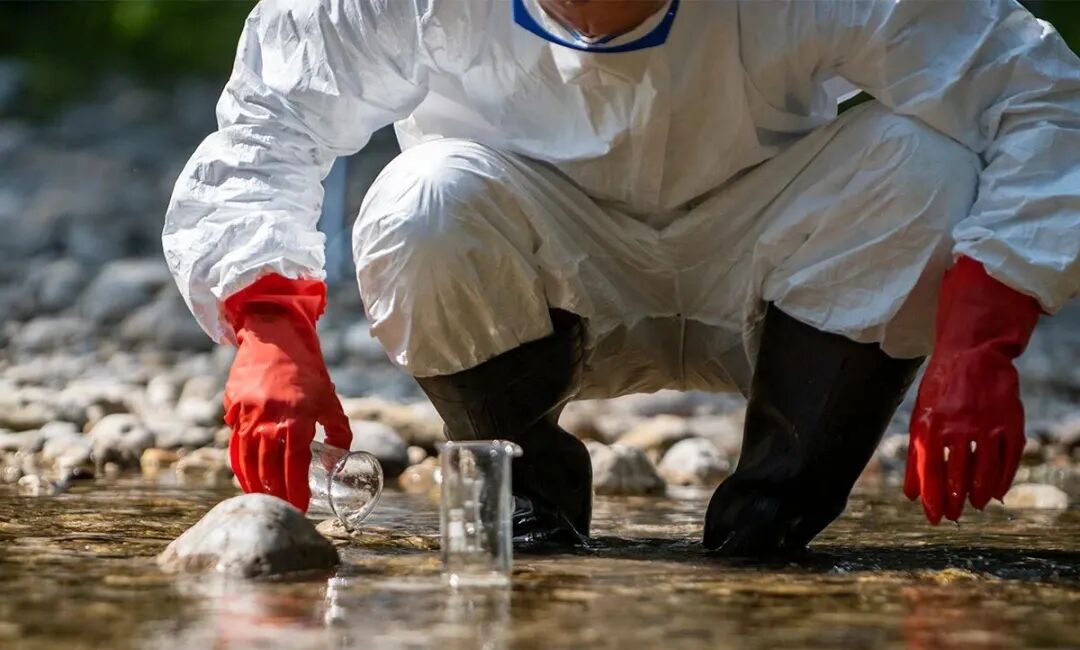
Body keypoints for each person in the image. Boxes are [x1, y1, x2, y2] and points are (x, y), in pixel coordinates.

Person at [164, 0, 1080, 552]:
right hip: (541, 259)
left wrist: (980, 338)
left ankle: (774, 517)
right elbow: (268, 125)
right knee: (419, 201)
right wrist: (270, 327)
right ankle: (527, 504)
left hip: (767, 259)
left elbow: (1038, 91)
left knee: (926, 165)